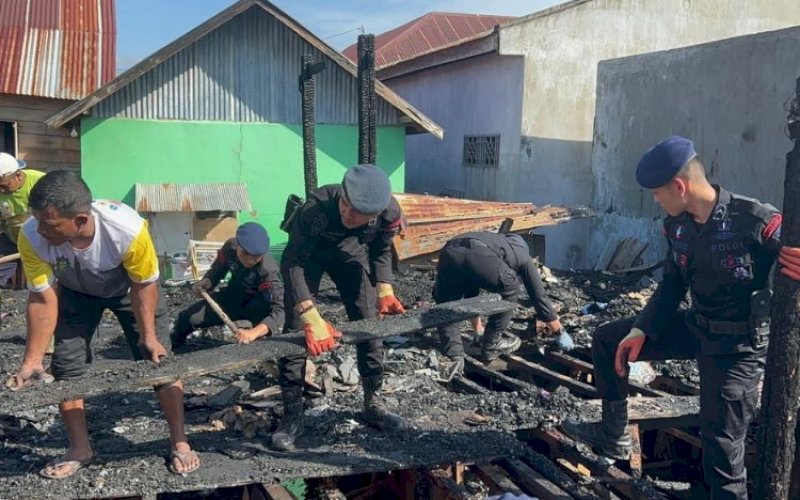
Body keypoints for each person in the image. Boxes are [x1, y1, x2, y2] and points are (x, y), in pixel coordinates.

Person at [561, 136, 800, 499]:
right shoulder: (678, 227)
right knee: (610, 340)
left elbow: (793, 247)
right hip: (697, 326)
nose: (656, 200)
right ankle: (615, 436)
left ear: (679, 186)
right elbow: (672, 285)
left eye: (658, 193)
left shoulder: (755, 220)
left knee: (721, 441)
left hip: (737, 347)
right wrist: (642, 328)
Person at [8, 170, 199, 478]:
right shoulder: (32, 234)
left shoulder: (127, 230)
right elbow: (43, 298)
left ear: (81, 220)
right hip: (75, 292)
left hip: (128, 289)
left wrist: (148, 336)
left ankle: (180, 441)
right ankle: (80, 448)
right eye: (38, 220)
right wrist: (32, 360)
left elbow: (144, 286)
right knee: (67, 367)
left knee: (160, 362)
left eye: (50, 224)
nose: (40, 229)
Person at [271, 164, 408, 451]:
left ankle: (373, 403)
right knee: (296, 327)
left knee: (369, 322)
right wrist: (311, 316)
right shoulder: (316, 209)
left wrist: (385, 289)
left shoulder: (389, 213)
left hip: (349, 254)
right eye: (345, 205)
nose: (347, 213)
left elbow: (381, 250)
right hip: (309, 258)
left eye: (357, 213)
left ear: (376, 214)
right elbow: (292, 261)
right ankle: (293, 415)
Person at [433, 231, 570, 378]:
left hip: (449, 251)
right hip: (475, 251)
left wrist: (478, 330)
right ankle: (492, 344)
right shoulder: (522, 255)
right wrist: (559, 332)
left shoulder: (495, 242)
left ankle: (454, 358)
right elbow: (539, 297)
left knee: (447, 306)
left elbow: (470, 296)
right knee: (511, 288)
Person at [171, 222, 284, 346]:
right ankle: (174, 349)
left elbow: (279, 310)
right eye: (245, 253)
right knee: (187, 318)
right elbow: (217, 270)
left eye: (256, 257)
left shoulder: (268, 271)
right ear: (238, 246)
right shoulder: (230, 247)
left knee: (251, 345)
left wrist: (254, 333)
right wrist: (207, 282)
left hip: (257, 308)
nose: (250, 260)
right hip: (233, 297)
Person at [0, 152, 45, 287]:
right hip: (12, 238)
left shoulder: (40, 182)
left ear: (18, 176)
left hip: (42, 239)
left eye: (4, 186)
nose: (1, 191)